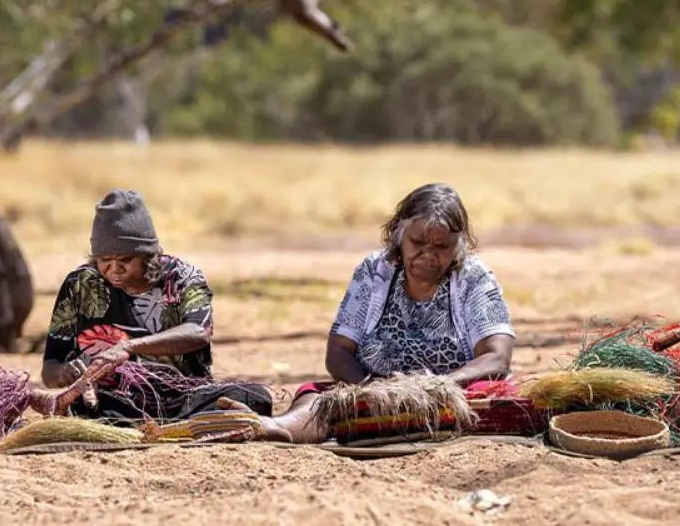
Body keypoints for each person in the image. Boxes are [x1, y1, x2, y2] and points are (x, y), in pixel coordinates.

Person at [217, 182, 516, 443]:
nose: (428, 253)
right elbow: (338, 353)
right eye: (417, 242)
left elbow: (496, 357)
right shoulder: (375, 272)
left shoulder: (473, 277)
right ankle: (278, 427)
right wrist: (374, 391)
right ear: (398, 235)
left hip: (448, 395)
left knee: (490, 396)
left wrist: (437, 386)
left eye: (442, 246)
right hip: (373, 392)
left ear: (459, 247)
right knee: (320, 396)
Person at [41, 188, 272, 423]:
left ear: (147, 255)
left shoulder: (183, 277)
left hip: (184, 396)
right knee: (88, 405)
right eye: (104, 261)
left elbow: (198, 332)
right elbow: (50, 368)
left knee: (255, 396)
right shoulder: (80, 284)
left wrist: (129, 347)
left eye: (125, 261)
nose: (114, 270)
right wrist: (64, 373)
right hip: (112, 399)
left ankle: (154, 424)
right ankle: (170, 425)